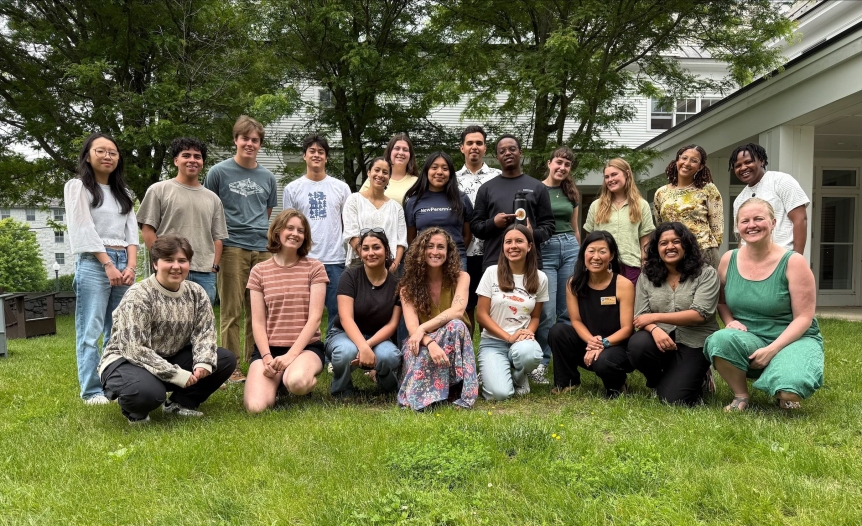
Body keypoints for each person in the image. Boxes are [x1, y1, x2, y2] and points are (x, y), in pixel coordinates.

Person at [98, 235, 236, 424]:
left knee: (223, 359)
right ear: (155, 264)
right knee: (148, 392)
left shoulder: (196, 293)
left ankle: (180, 404)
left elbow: (205, 331)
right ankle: (136, 411)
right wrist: (175, 374)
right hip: (125, 360)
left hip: (168, 356)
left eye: (182, 260)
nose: (176, 266)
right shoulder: (139, 296)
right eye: (169, 260)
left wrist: (203, 363)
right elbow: (134, 349)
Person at [704, 198, 823, 411]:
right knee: (720, 339)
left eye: (759, 218)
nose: (752, 225)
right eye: (745, 221)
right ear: (737, 227)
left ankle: (782, 378)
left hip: (792, 338)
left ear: (774, 223)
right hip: (750, 337)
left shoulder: (793, 262)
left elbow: (804, 317)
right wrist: (730, 321)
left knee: (790, 392)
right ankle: (741, 395)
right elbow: (720, 301)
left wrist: (772, 349)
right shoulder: (728, 259)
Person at [64, 133, 138, 405]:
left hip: (123, 263)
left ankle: (112, 386)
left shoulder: (124, 193)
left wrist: (131, 267)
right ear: (87, 155)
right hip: (95, 263)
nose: (108, 156)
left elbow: (132, 235)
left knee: (117, 330)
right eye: (101, 151)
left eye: (113, 152)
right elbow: (83, 229)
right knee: (90, 330)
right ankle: (91, 391)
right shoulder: (78, 187)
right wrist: (107, 263)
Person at [203, 116, 279, 382]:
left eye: (255, 140)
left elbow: (266, 213)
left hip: (262, 250)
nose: (249, 143)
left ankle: (255, 360)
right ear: (235, 140)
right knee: (231, 311)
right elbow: (210, 209)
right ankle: (231, 366)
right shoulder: (218, 173)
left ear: (260, 144)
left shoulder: (267, 178)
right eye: (245, 138)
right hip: (232, 247)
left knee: (258, 312)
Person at [243, 210, 329, 413]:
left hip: (306, 348)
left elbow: (315, 319)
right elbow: (257, 322)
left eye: (301, 230)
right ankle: (279, 380)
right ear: (277, 232)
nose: (295, 234)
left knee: (298, 383)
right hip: (270, 350)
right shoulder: (259, 271)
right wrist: (266, 357)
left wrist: (291, 356)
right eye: (289, 228)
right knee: (256, 408)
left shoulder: (315, 268)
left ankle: (295, 377)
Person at [628, 222, 719, 406]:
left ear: (686, 245)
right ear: (656, 249)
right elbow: (641, 314)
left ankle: (701, 377)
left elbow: (699, 314)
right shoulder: (647, 276)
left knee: (676, 401)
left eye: (676, 241)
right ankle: (657, 381)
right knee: (638, 345)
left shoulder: (706, 273)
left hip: (695, 342)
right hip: (661, 340)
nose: (670, 247)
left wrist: (655, 318)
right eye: (663, 243)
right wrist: (654, 329)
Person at [137, 137, 228, 304]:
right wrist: (162, 259)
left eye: (197, 156)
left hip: (204, 271)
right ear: (176, 160)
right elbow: (147, 229)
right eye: (186, 155)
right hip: (169, 268)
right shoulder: (159, 190)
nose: (192, 160)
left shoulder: (213, 199)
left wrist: (214, 265)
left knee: (201, 324)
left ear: (202, 162)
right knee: (166, 320)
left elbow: (218, 237)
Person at [398, 228, 478, 410]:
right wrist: (429, 341)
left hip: (454, 341)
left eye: (441, 247)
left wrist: (422, 328)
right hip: (422, 342)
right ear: (420, 251)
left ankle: (462, 394)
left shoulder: (461, 277)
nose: (435, 252)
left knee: (456, 325)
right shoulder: (407, 287)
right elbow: (412, 328)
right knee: (422, 352)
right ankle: (428, 397)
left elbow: (457, 311)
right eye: (430, 246)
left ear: (448, 252)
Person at [548, 231, 635, 398]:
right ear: (583, 254)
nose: (596, 256)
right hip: (588, 343)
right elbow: (575, 320)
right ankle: (567, 382)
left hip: (616, 346)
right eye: (591, 251)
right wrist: (591, 341)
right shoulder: (573, 283)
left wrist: (603, 344)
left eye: (602, 251)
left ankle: (617, 384)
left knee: (604, 362)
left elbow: (627, 328)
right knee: (558, 331)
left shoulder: (623, 284)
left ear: (611, 256)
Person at [282, 133, 351, 334]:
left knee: (337, 311)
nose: (316, 155)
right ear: (304, 155)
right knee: (301, 312)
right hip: (303, 259)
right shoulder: (292, 189)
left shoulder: (341, 188)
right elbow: (287, 227)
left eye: (321, 152)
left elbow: (348, 224)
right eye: (312, 151)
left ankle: (332, 355)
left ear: (327, 157)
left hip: (334, 259)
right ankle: (303, 352)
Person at [325, 229, 402, 397]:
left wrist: (368, 345)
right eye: (365, 248)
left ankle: (386, 384)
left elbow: (393, 324)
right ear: (360, 252)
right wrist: (362, 346)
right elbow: (346, 318)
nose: (371, 253)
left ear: (386, 251)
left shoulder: (397, 284)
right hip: (344, 334)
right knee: (345, 352)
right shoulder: (350, 276)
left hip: (379, 336)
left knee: (390, 356)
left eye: (376, 247)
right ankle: (342, 389)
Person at [475, 225, 547, 400]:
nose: (513, 246)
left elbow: (536, 316)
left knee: (530, 354)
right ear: (503, 247)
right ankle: (494, 373)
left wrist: (528, 332)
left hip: (521, 342)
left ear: (529, 246)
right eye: (508, 242)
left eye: (519, 241)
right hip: (493, 343)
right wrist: (508, 338)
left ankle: (519, 376)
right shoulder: (491, 273)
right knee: (500, 394)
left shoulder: (540, 278)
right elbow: (481, 315)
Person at [532, 146, 582, 385]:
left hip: (570, 248)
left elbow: (575, 227)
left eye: (567, 164)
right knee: (547, 311)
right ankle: (541, 362)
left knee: (567, 311)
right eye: (559, 163)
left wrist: (581, 255)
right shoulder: (536, 189)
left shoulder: (571, 193)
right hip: (547, 249)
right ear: (550, 163)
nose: (562, 168)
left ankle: (565, 363)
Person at [471, 134, 555, 271]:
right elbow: (476, 227)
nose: (507, 153)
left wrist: (531, 234)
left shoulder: (537, 187)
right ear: (497, 157)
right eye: (502, 151)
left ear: (520, 152)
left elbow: (549, 226)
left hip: (529, 262)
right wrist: (493, 223)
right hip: (495, 261)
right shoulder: (486, 189)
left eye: (512, 149)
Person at [456, 125, 501, 329]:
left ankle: (488, 353)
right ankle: (467, 357)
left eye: (479, 143)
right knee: (465, 307)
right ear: (462, 148)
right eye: (470, 143)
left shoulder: (498, 177)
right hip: (463, 253)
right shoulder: (451, 180)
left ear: (485, 148)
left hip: (493, 252)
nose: (474, 147)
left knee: (491, 306)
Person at [583, 158, 655, 284]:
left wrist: (645, 263)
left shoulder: (641, 205)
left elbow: (645, 239)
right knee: (604, 302)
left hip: (631, 266)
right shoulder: (596, 205)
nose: (610, 180)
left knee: (628, 303)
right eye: (607, 177)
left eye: (614, 174)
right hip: (602, 265)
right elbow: (589, 238)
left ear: (627, 174)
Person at [730, 143, 809, 254]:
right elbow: (742, 237)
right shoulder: (739, 199)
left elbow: (800, 219)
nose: (743, 168)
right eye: (738, 165)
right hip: (752, 260)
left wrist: (797, 258)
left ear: (762, 161)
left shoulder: (781, 181)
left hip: (782, 257)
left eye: (748, 162)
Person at [653, 145, 723, 268]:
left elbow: (717, 227)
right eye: (684, 158)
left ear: (700, 166)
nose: (687, 163)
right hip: (672, 253)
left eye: (694, 161)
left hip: (703, 252)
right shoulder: (661, 192)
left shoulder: (708, 189)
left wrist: (711, 252)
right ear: (677, 161)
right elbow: (660, 226)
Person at [404, 151, 474, 268]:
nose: (440, 172)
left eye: (445, 169)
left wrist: (454, 254)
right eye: (434, 168)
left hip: (457, 261)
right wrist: (420, 255)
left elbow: (467, 235)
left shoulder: (461, 198)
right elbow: (410, 237)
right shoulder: (413, 201)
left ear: (450, 173)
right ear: (427, 171)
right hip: (425, 261)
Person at [342, 157, 407, 271]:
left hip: (388, 266)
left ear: (389, 177)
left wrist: (394, 265)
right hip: (359, 264)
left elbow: (401, 242)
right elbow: (351, 234)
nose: (380, 175)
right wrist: (368, 258)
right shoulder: (354, 200)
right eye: (377, 170)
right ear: (369, 172)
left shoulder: (396, 208)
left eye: (385, 172)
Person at [359, 133, 419, 207]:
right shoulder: (376, 178)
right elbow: (360, 202)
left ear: (410, 155)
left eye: (405, 150)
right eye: (397, 148)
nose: (401, 152)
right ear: (390, 152)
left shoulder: (417, 182)